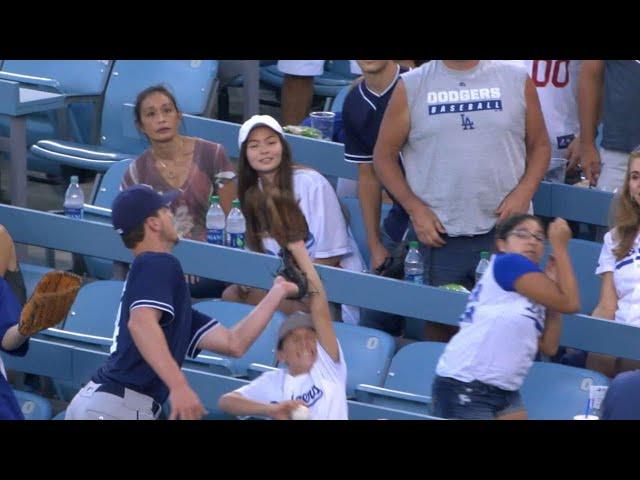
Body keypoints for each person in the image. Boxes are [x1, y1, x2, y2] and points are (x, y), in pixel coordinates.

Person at [65, 185, 300, 420]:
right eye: (166, 210)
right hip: (118, 405)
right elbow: (141, 324)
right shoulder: (159, 263)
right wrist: (179, 387)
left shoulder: (163, 293)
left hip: (104, 402)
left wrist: (277, 292)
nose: (172, 215)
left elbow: (234, 343)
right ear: (153, 223)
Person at [373, 60, 551, 341]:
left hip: (506, 232)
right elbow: (383, 156)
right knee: (441, 330)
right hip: (442, 234)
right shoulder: (413, 84)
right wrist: (414, 208)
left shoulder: (516, 78)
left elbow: (540, 144)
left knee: (514, 327)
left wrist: (524, 191)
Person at [432, 215, 580, 420]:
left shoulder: (530, 288)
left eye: (539, 237)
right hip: (468, 383)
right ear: (501, 244)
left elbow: (549, 347)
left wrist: (553, 293)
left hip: (505, 389)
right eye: (522, 234)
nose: (532, 241)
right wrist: (562, 248)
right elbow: (572, 304)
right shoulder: (508, 263)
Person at [222, 115, 365, 325]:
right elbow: (255, 260)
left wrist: (287, 288)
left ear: (283, 146)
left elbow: (330, 258)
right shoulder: (250, 195)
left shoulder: (312, 183)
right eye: (254, 146)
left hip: (325, 291)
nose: (264, 150)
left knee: (239, 298)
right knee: (232, 294)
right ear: (245, 155)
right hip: (281, 288)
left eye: (271, 142)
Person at [121, 85, 237, 298]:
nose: (161, 119)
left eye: (167, 111)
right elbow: (138, 235)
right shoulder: (135, 173)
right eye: (151, 114)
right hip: (163, 259)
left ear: (178, 116)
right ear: (141, 126)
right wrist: (175, 261)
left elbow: (232, 219)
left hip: (213, 257)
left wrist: (197, 258)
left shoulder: (212, 154)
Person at [218, 237, 347, 420]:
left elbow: (320, 308)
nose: (304, 343)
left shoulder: (327, 366)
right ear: (281, 355)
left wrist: (301, 253)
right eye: (295, 339)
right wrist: (270, 409)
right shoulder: (274, 381)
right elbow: (227, 402)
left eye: (310, 337)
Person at [342, 60, 411, 336]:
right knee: (374, 319)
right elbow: (368, 176)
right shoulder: (354, 102)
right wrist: (374, 243)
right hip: (399, 222)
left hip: (445, 221)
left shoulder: (418, 84)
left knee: (442, 316)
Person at [586, 152, 640, 378]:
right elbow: (607, 306)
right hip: (619, 340)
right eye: (635, 176)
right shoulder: (615, 238)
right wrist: (595, 342)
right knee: (599, 360)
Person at [579, 60, 640, 191]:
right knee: (611, 210)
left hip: (619, 154)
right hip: (618, 155)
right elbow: (591, 74)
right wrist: (586, 144)